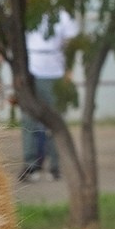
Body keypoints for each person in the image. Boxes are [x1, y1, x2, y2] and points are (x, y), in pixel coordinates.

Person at [20, 10, 79, 180]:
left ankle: (56, 166)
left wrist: (68, 70)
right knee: (29, 120)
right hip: (31, 74)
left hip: (55, 73)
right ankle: (31, 166)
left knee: (56, 121)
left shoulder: (63, 15)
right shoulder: (27, 11)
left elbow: (71, 43)